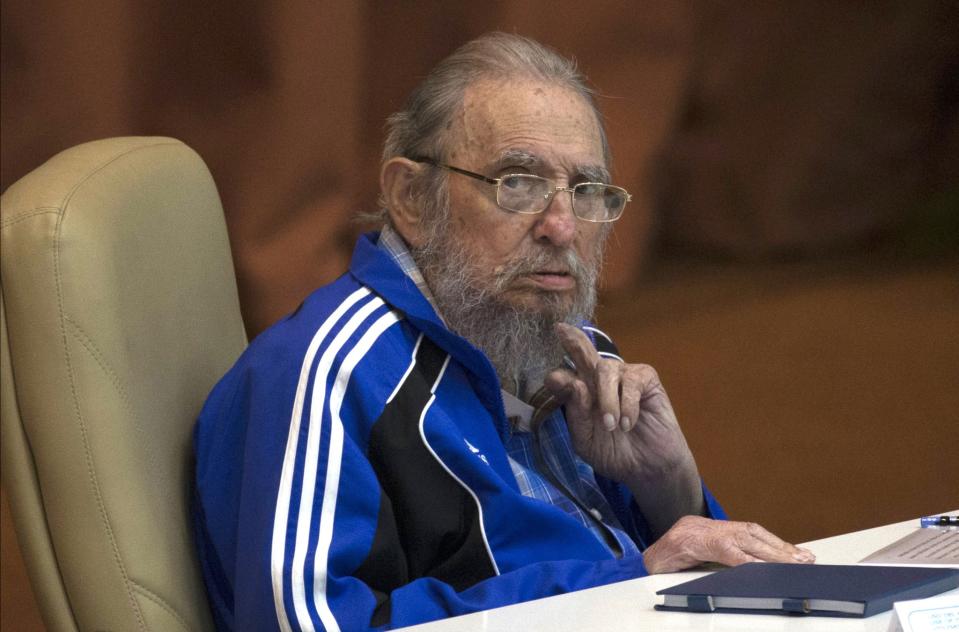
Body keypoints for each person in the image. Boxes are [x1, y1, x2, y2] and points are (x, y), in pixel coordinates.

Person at [193, 32, 814, 632]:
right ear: (411, 198)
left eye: (586, 190)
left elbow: (672, 574)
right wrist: (619, 587)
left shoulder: (566, 345)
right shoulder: (327, 375)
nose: (563, 227)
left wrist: (667, 488)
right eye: (518, 183)